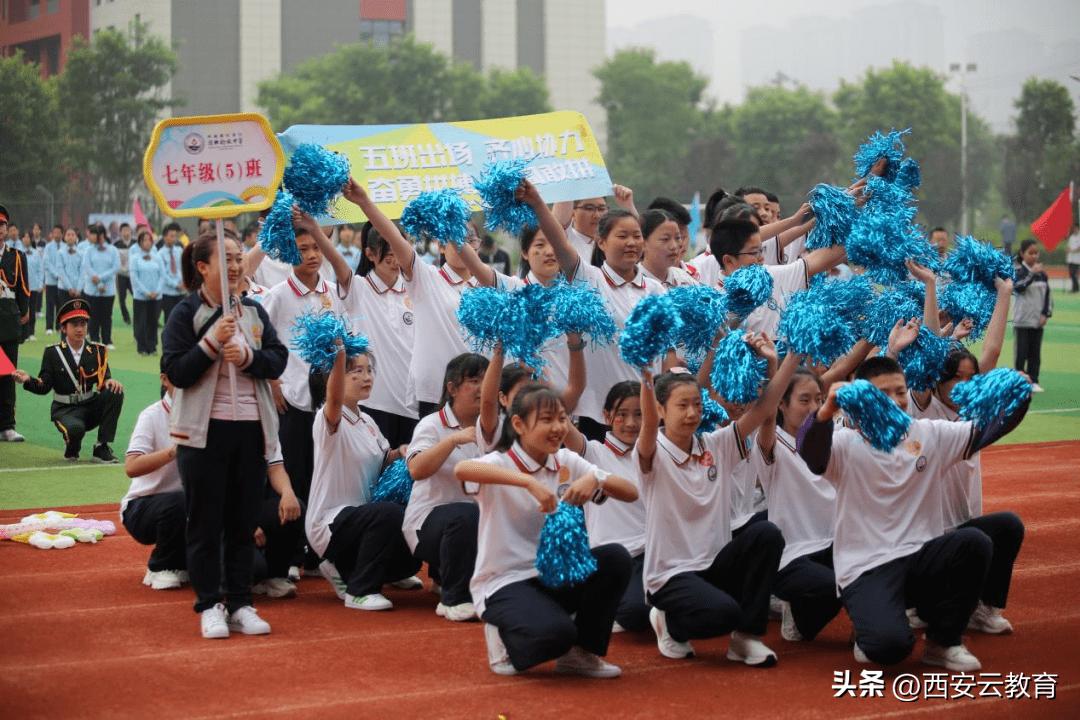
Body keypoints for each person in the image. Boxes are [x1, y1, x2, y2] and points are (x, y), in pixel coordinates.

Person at [798, 356, 1030, 671]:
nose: (895, 400)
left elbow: (986, 430)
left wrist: (1018, 394)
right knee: (889, 647)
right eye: (884, 393)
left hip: (921, 556)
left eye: (901, 391)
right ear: (864, 396)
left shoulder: (928, 433)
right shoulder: (844, 444)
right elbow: (810, 451)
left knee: (975, 541)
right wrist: (826, 411)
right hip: (868, 566)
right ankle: (872, 626)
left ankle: (943, 642)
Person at [454, 383, 639, 677]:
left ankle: (581, 654)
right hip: (505, 582)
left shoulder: (565, 460)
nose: (558, 428)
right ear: (518, 424)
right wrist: (527, 482)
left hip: (554, 576)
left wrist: (597, 478)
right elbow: (463, 469)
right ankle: (503, 635)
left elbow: (631, 493)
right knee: (556, 634)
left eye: (562, 419)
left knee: (614, 558)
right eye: (546, 420)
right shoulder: (500, 461)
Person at [638, 341, 799, 667]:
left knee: (766, 533)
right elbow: (645, 427)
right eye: (682, 405)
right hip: (670, 575)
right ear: (660, 410)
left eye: (697, 404)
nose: (692, 413)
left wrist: (782, 360)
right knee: (723, 613)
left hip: (713, 565)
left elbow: (765, 407)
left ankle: (745, 639)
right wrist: (644, 377)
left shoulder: (718, 444)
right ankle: (669, 622)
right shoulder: (653, 453)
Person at [162, 231, 288, 639]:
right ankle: (209, 604)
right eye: (227, 258)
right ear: (202, 267)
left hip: (250, 431)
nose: (236, 266)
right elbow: (176, 371)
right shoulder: (186, 313)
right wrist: (212, 344)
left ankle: (241, 602)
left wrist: (249, 357)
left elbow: (277, 359)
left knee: (241, 521)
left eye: (238, 258)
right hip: (202, 435)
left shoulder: (252, 311)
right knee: (204, 522)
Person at [902, 275, 1024, 635]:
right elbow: (927, 351)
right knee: (930, 604)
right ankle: (914, 603)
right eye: (958, 377)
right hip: (923, 534)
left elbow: (992, 351)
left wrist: (1004, 293)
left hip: (963, 525)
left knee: (1008, 526)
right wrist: (929, 287)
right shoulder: (922, 407)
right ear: (938, 379)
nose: (967, 384)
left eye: (973, 378)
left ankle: (984, 609)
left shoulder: (972, 408)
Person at [342, 179, 479, 419]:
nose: (462, 244)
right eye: (454, 238)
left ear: (478, 245)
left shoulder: (490, 285)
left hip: (480, 392)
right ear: (440, 246)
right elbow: (396, 241)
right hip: (435, 393)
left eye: (469, 239)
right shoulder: (427, 279)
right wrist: (364, 202)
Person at [305, 341, 420, 611]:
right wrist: (338, 355)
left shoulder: (367, 421)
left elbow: (383, 460)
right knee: (388, 514)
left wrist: (402, 453)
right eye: (355, 371)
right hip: (330, 521)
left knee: (409, 557)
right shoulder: (328, 417)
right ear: (333, 378)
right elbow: (333, 399)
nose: (366, 377)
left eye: (369, 370)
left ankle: (344, 568)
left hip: (361, 520)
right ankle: (359, 590)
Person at [544, 191, 664, 442]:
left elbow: (666, 353)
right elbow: (558, 242)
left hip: (648, 413)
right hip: (599, 416)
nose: (631, 243)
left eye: (637, 236)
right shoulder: (589, 280)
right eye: (622, 236)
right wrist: (536, 201)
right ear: (601, 242)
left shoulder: (656, 290)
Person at [262, 209, 354, 519]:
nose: (313, 255)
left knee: (327, 474)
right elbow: (260, 341)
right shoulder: (277, 296)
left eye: (316, 247)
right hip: (294, 401)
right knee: (296, 473)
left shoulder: (332, 293)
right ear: (289, 252)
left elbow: (345, 338)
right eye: (303, 249)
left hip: (329, 400)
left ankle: (320, 551)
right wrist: (273, 383)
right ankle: (293, 555)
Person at [754, 369, 841, 643]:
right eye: (804, 400)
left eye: (818, 398)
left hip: (835, 546)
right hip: (793, 555)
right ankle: (794, 608)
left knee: (871, 572)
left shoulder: (834, 437)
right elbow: (765, 414)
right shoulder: (772, 444)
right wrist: (772, 362)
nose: (814, 407)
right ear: (782, 404)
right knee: (839, 586)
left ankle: (866, 630)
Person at [404, 353, 488, 621]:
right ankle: (454, 598)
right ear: (451, 388)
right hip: (426, 524)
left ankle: (448, 576)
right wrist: (453, 440)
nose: (482, 388)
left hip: (473, 527)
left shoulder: (491, 428)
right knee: (465, 514)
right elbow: (416, 470)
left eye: (486, 381)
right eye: (474, 380)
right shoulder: (431, 424)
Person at [13, 298, 124, 460]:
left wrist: (110, 382)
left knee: (116, 391)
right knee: (76, 430)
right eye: (74, 325)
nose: (80, 329)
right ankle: (72, 446)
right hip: (65, 409)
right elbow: (44, 386)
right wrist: (27, 379)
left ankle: (102, 446)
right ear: (64, 328)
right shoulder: (53, 353)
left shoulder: (97, 350)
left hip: (90, 405)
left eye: (83, 324)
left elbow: (104, 379)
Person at [342, 216, 419, 448]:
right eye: (388, 258)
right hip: (375, 401)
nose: (396, 262)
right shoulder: (359, 288)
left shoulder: (414, 288)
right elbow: (337, 264)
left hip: (411, 399)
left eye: (399, 254)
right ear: (370, 255)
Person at [122, 363, 188, 590]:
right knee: (181, 501)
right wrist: (173, 451)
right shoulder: (151, 415)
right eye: (181, 378)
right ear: (164, 380)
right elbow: (131, 467)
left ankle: (183, 561)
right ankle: (161, 565)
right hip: (142, 506)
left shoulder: (206, 415)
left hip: (189, 506)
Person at [0, 204, 31, 442]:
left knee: (8, 373)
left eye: (2, 225)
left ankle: (7, 425)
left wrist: (24, 313)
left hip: (9, 316)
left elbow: (23, 287)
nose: (0, 229)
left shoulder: (16, 256)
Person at [1012, 239, 1051, 393]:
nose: (1034, 256)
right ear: (1022, 254)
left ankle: (1034, 380)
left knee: (1035, 353)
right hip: (1022, 320)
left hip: (1037, 321)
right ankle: (1019, 382)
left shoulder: (1043, 275)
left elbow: (1048, 296)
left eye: (1036, 253)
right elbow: (1019, 287)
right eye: (1031, 253)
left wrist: (1045, 314)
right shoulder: (1019, 272)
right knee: (1021, 353)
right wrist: (1032, 274)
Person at [80, 224, 119, 348]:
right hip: (92, 289)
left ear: (101, 235)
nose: (90, 236)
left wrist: (101, 279)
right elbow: (87, 266)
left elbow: (115, 267)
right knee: (94, 316)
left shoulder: (112, 250)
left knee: (106, 316)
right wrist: (97, 281)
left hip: (108, 290)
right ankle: (95, 339)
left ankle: (107, 340)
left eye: (93, 234)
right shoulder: (89, 250)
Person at [637, 209, 696, 288]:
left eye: (678, 238)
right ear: (643, 243)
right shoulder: (633, 283)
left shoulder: (685, 281)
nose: (674, 246)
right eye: (665, 239)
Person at [130, 230, 163, 355]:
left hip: (155, 296)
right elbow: (135, 278)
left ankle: (152, 346)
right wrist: (146, 292)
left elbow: (162, 275)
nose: (147, 242)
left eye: (149, 240)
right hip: (140, 297)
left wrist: (157, 291)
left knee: (153, 322)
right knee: (141, 323)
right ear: (140, 242)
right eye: (144, 240)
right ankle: (142, 347)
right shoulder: (135, 258)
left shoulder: (157, 257)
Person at [158, 223, 185, 323]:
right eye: (171, 236)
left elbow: (182, 268)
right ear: (165, 237)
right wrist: (175, 285)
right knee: (169, 319)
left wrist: (183, 282)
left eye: (175, 236)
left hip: (180, 291)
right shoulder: (160, 254)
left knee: (181, 318)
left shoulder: (179, 251)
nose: (174, 239)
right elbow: (163, 274)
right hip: (167, 292)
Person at [22, 228, 44, 343]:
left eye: (28, 237)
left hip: (33, 286)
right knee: (22, 310)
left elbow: (40, 269)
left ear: (31, 239)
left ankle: (31, 333)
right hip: (21, 287)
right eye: (24, 237)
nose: (26, 239)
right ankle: (23, 333)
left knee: (32, 310)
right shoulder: (18, 252)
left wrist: (40, 283)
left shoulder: (36, 253)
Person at [44, 224, 64, 336]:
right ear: (52, 234)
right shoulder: (48, 247)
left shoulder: (65, 247)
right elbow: (47, 263)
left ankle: (58, 326)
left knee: (60, 305)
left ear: (62, 234)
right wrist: (56, 274)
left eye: (59, 232)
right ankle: (49, 327)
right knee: (50, 305)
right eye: (55, 232)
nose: (56, 234)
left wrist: (61, 275)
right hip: (51, 281)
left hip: (62, 282)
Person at [56, 227, 84, 300]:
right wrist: (69, 288)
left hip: (79, 290)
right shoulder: (60, 253)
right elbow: (61, 271)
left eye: (72, 235)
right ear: (64, 237)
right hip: (64, 289)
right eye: (68, 235)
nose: (70, 237)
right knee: (65, 311)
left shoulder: (81, 253)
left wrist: (79, 289)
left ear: (76, 237)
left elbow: (83, 272)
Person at [115, 222, 134, 326]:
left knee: (136, 296)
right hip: (121, 275)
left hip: (132, 275)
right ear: (120, 232)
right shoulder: (116, 244)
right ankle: (126, 317)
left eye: (128, 230)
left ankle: (138, 316)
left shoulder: (136, 243)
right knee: (121, 298)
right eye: (124, 230)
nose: (126, 232)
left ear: (131, 231)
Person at [1066, 222, 1080, 294]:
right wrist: (1068, 250)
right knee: (1071, 274)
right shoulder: (1071, 237)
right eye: (1073, 228)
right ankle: (1074, 288)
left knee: (1074, 274)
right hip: (1070, 259)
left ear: (1078, 228)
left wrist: (1072, 251)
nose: (1074, 230)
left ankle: (1076, 289)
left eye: (1075, 228)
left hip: (1077, 259)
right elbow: (1068, 246)